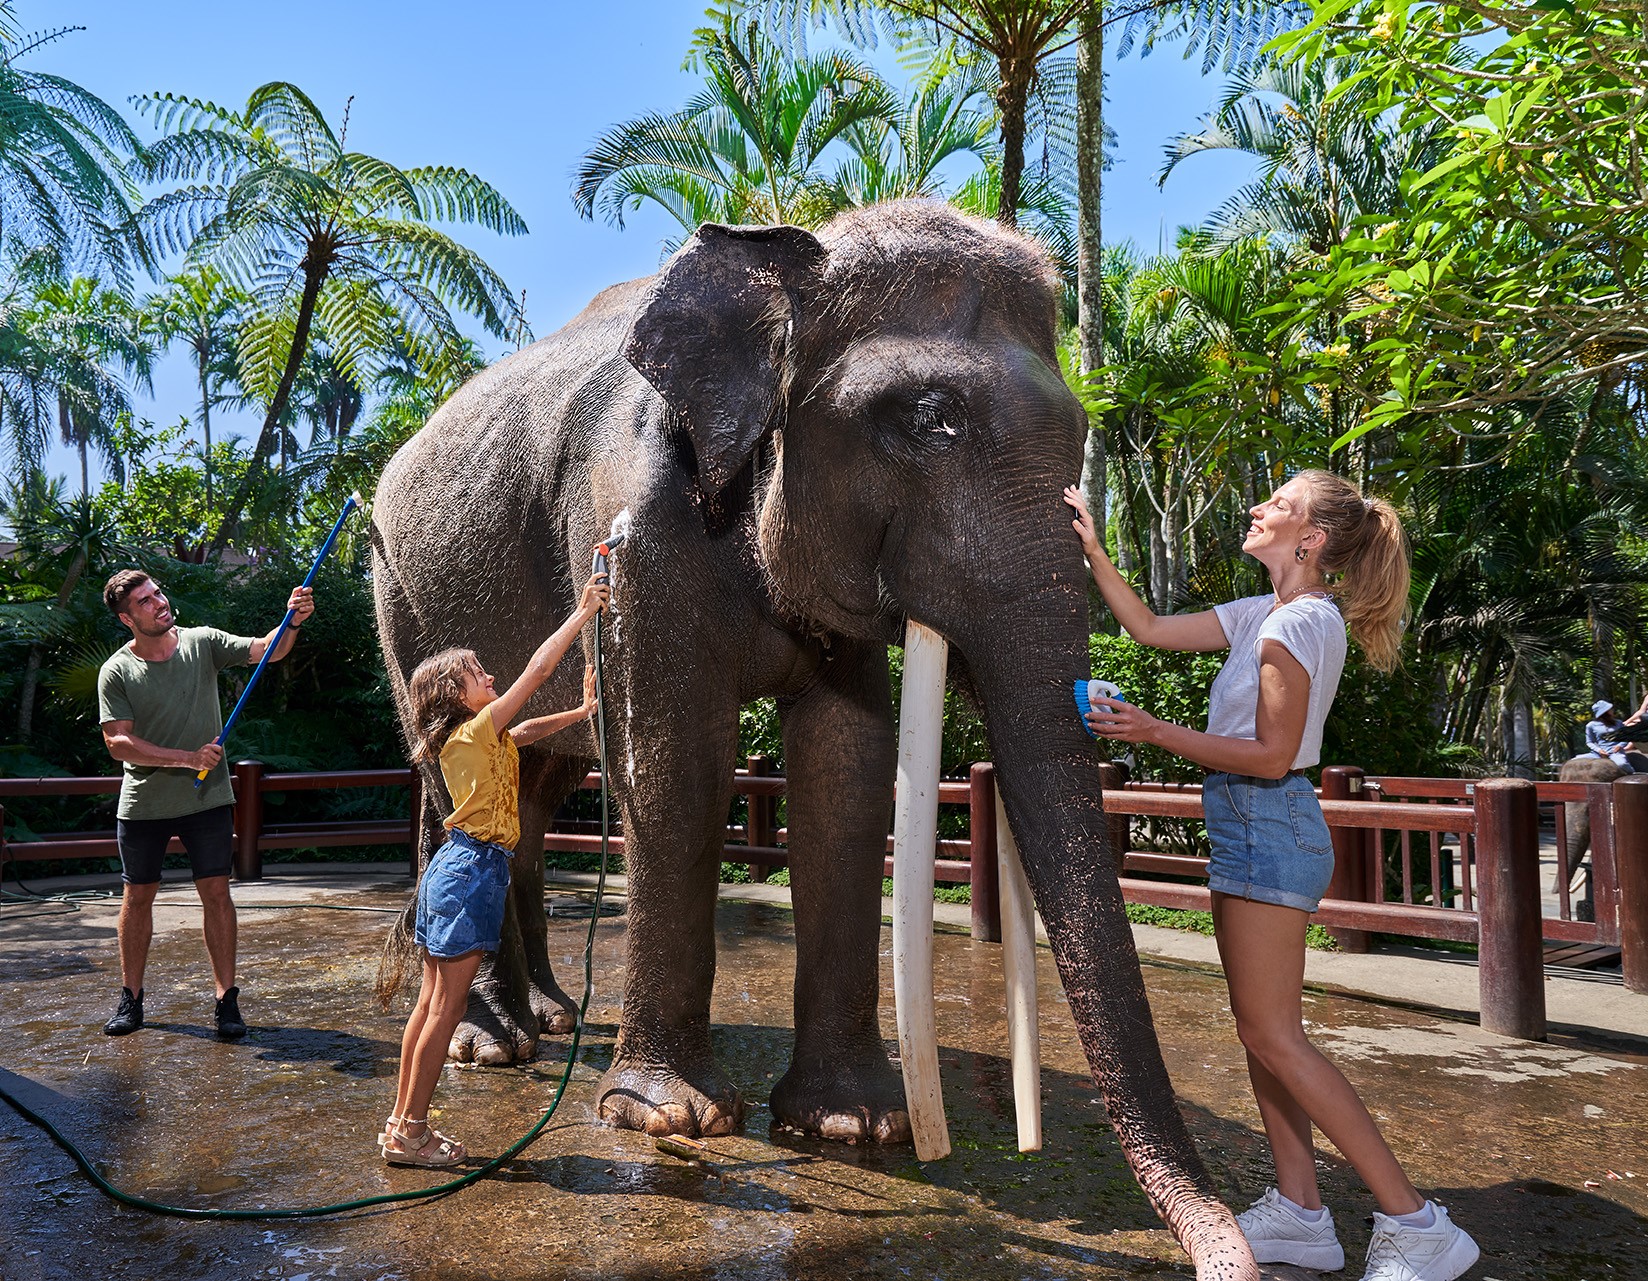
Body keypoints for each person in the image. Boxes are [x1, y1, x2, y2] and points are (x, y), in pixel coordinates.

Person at [1064, 473, 1480, 1281]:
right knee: (1261, 1033)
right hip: (1247, 820)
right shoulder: (1263, 613)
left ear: (1311, 539)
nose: (1257, 508)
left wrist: (1152, 729)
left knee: (1277, 1036)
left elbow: (1272, 755)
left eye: (1277, 505)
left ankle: (1417, 1220)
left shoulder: (1301, 621)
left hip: (1269, 816)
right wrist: (1092, 548)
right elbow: (1148, 628)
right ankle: (1300, 1213)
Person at [380, 572, 609, 1167]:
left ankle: (401, 1124)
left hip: (453, 869)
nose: (488, 676)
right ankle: (412, 1134)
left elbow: (525, 730)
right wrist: (583, 612)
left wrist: (579, 711)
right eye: (477, 673)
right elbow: (535, 671)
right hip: (471, 871)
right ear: (457, 697)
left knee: (430, 1003)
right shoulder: (475, 729)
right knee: (445, 1008)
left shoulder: (476, 737)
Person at [96, 569, 315, 1039]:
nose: (159, 602)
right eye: (146, 601)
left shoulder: (201, 642)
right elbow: (118, 742)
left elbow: (267, 650)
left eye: (158, 593)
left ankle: (226, 1001)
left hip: (207, 798)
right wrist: (186, 758)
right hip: (144, 802)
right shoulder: (116, 670)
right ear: (126, 618)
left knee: (217, 893)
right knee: (138, 897)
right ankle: (131, 999)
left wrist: (292, 620)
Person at [1585, 700, 1633, 771]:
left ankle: (1633, 774)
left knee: (1622, 764)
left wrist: (1620, 745)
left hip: (1615, 753)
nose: (1612, 710)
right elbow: (1589, 742)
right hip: (1598, 753)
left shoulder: (1618, 723)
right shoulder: (1591, 725)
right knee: (1574, 761)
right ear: (1605, 712)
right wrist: (1599, 750)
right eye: (1610, 709)